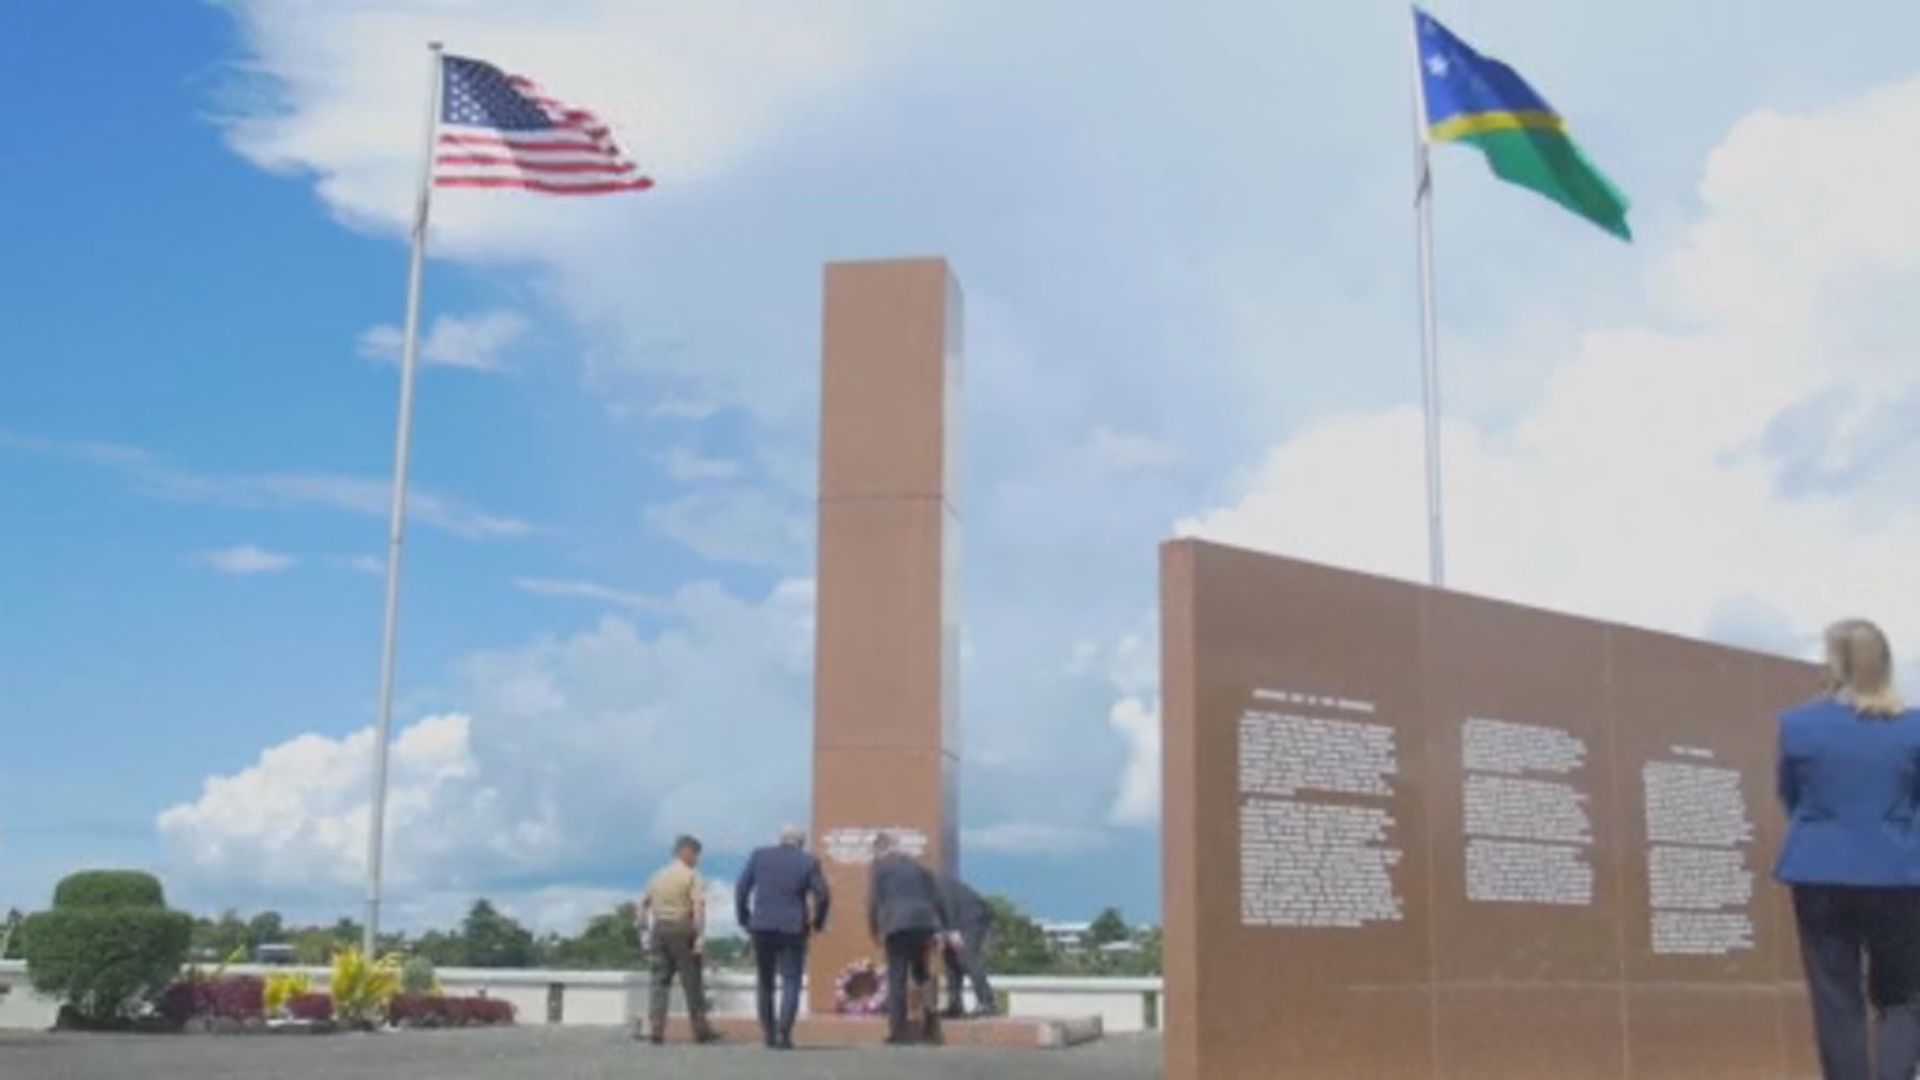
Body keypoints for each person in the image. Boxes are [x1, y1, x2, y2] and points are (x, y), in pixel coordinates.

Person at [1776, 619, 1920, 1080]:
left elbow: (1790, 796)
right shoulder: (1912, 730)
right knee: (1903, 997)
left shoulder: (1798, 726)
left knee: (1835, 998)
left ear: (1833, 662)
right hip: (1897, 873)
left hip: (1819, 871)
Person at [735, 824, 831, 1050]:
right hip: (792, 928)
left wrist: (744, 917)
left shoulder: (759, 856)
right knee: (791, 980)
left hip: (762, 926)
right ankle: (783, 1034)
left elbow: (741, 888)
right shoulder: (808, 861)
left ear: (780, 839)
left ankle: (768, 1033)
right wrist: (817, 922)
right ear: (801, 842)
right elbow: (823, 895)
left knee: (765, 981)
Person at [867, 832, 951, 1044]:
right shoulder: (920, 867)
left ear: (880, 850)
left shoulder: (880, 869)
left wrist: (874, 929)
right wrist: (941, 928)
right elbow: (937, 898)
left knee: (897, 978)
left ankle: (898, 1032)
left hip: (896, 925)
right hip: (924, 925)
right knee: (921, 973)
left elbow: (874, 901)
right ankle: (932, 1025)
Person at [637, 835, 719, 1045]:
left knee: (659, 981)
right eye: (696, 854)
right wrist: (699, 936)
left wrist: (644, 933)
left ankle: (656, 1029)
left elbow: (642, 906)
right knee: (692, 981)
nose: (698, 859)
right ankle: (700, 1030)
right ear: (687, 852)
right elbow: (698, 908)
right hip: (682, 928)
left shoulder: (657, 876)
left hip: (659, 928)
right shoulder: (692, 876)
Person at [937, 872, 998, 1018]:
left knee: (967, 958)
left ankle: (987, 1003)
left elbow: (947, 902)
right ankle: (955, 1005)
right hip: (957, 920)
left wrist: (953, 930)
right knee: (951, 960)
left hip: (971, 917)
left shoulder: (933, 884)